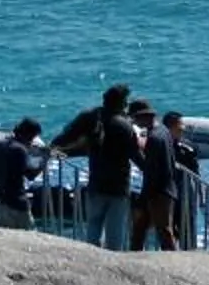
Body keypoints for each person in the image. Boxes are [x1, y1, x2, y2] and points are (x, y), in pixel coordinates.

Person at [81, 85, 137, 250]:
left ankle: (90, 257)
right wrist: (151, 169)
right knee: (115, 232)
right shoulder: (125, 126)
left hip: (96, 182)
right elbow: (135, 154)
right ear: (121, 103)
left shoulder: (94, 123)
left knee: (93, 226)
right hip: (118, 186)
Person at [132, 107, 193, 251]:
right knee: (141, 227)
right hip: (165, 188)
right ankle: (135, 252)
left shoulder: (154, 138)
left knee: (164, 230)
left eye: (137, 118)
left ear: (145, 118)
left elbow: (152, 170)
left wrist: (144, 197)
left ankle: (172, 259)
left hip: (158, 192)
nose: (135, 122)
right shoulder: (164, 132)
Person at [0, 118, 44, 229]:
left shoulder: (0, 146)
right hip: (18, 203)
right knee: (28, 235)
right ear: (29, 135)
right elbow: (31, 175)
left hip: (1, 203)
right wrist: (45, 160)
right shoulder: (20, 150)